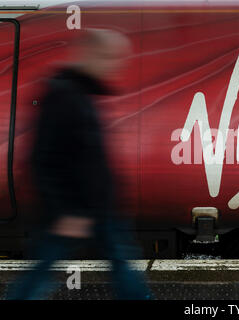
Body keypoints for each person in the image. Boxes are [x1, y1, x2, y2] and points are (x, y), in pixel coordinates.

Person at [7, 29, 154, 300]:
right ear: (88, 54)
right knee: (44, 271)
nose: (115, 64)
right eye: (108, 57)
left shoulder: (82, 94)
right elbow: (44, 157)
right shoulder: (65, 96)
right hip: (75, 212)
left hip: (96, 209)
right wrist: (67, 210)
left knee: (118, 266)